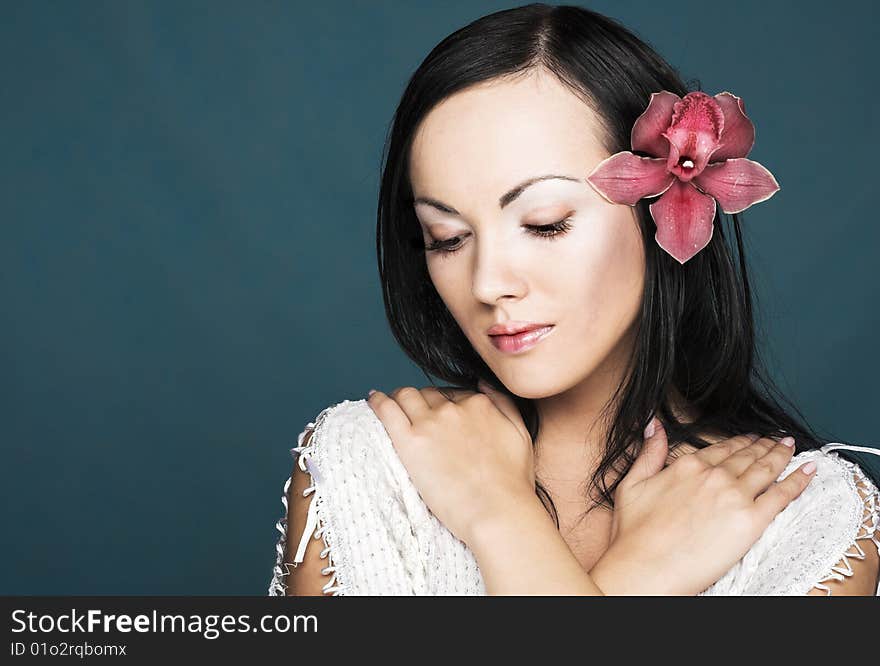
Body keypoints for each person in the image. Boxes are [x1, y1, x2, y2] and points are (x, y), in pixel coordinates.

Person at [269, 3, 880, 596]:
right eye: (447, 238)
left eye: (545, 224)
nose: (487, 284)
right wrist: (620, 570)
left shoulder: (809, 515)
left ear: (660, 211)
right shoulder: (369, 462)